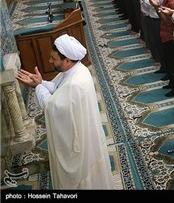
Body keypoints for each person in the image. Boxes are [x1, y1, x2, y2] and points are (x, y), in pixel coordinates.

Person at [16, 34, 114, 189]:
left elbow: (51, 106)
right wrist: (41, 83)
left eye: (53, 59)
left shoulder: (76, 83)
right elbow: (58, 88)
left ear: (67, 60)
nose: (50, 61)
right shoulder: (77, 69)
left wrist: (37, 87)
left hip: (80, 142)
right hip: (86, 132)